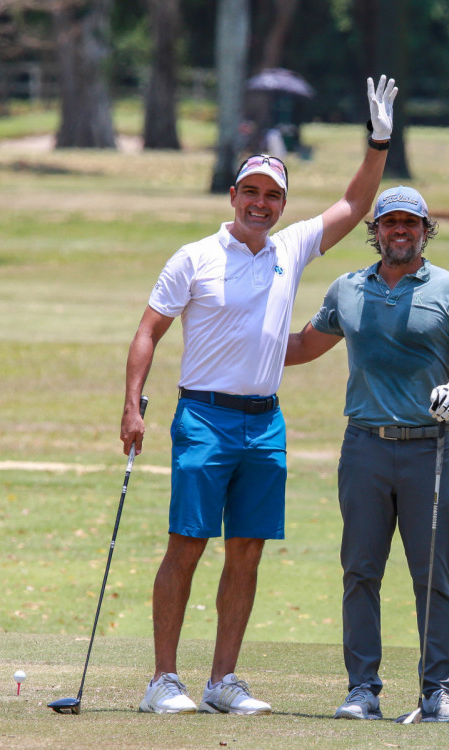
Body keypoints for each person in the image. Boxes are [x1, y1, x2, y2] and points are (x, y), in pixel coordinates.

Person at [120, 75, 398, 716]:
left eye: (274, 196)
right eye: (252, 191)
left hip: (264, 422)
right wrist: (133, 405)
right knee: (187, 543)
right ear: (233, 194)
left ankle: (222, 681)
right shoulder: (193, 257)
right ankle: (164, 679)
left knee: (246, 549)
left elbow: (356, 205)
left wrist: (378, 141)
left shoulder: (291, 248)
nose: (262, 204)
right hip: (203, 417)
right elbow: (148, 332)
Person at [284, 186, 449, 723]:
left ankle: (436, 691)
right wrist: (235, 337)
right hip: (364, 448)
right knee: (360, 570)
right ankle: (362, 690)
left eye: (411, 223)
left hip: (429, 450)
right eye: (390, 222)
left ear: (425, 229)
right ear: (375, 230)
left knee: (432, 576)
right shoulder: (348, 289)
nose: (401, 231)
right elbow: (304, 345)